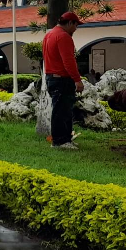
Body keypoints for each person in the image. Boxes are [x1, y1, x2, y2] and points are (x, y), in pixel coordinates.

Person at [43, 11, 84, 149]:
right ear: (70, 23)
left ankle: (65, 139)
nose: (76, 29)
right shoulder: (63, 37)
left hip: (51, 77)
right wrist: (77, 80)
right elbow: (68, 61)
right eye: (76, 25)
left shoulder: (49, 34)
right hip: (61, 79)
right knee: (62, 111)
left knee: (62, 110)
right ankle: (60, 141)